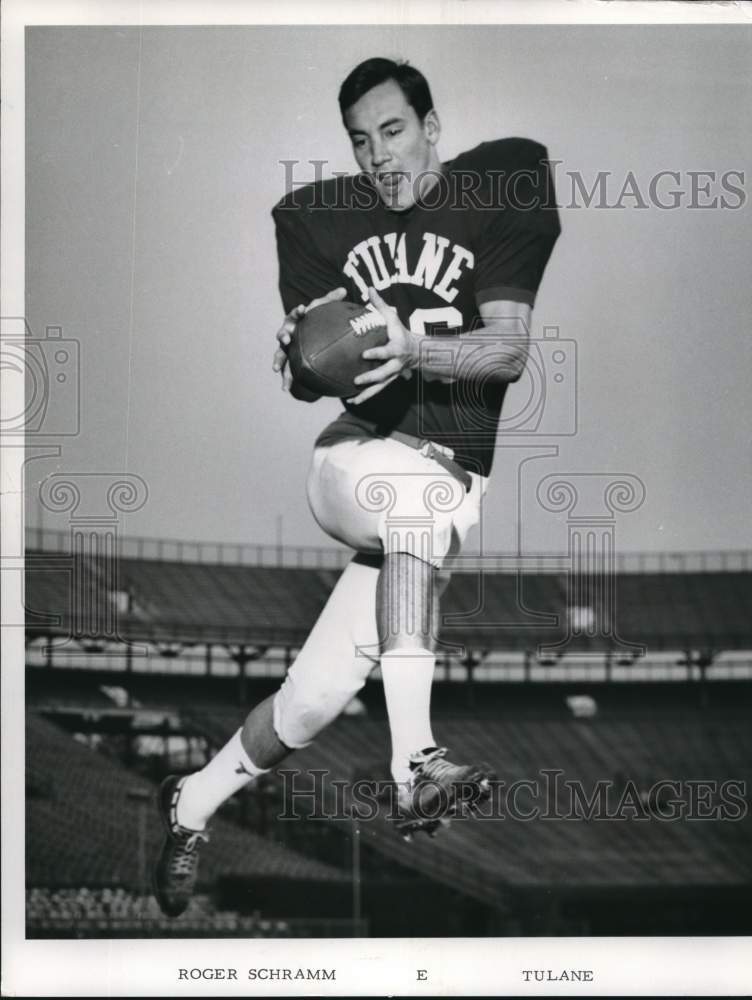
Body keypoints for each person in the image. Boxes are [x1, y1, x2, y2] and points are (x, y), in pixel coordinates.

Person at [152, 57, 560, 918]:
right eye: (360, 139)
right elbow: (314, 371)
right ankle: (416, 764)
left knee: (311, 702)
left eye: (395, 130)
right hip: (358, 458)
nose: (379, 154)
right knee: (413, 500)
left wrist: (413, 348)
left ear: (432, 127)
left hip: (448, 483)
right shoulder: (319, 219)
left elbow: (508, 352)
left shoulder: (505, 183)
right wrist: (301, 354)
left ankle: (189, 803)